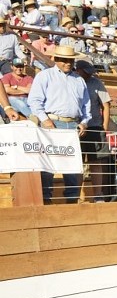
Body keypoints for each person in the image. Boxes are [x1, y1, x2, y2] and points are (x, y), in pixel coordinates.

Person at [28, 46, 91, 205]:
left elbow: (86, 105)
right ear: (56, 60)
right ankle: (46, 199)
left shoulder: (79, 80)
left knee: (72, 166)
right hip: (52, 122)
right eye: (64, 60)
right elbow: (34, 101)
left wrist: (84, 122)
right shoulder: (45, 76)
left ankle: (72, 199)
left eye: (70, 60)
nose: (68, 63)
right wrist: (45, 120)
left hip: (73, 125)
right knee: (48, 163)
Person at [75, 59, 112, 202]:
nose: (89, 74)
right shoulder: (72, 82)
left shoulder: (96, 82)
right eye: (86, 71)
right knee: (77, 163)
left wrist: (105, 126)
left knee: (96, 162)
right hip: (76, 126)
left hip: (95, 127)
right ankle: (76, 195)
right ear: (78, 70)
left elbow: (106, 105)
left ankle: (98, 194)